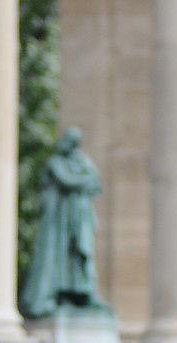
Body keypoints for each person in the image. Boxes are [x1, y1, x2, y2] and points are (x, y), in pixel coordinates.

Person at [21, 127, 108, 317]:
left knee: (80, 255)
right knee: (61, 256)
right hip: (60, 222)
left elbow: (95, 182)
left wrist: (84, 180)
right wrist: (84, 180)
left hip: (79, 216)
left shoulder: (83, 162)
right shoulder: (56, 163)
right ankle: (58, 294)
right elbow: (67, 180)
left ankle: (81, 293)